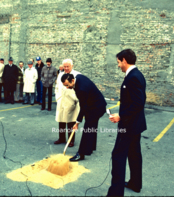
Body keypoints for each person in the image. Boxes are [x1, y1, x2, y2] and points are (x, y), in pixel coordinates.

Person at [107, 49, 147, 196]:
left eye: (118, 62)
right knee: (134, 154)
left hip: (129, 126)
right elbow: (140, 99)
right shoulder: (137, 75)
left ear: (124, 60)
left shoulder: (133, 77)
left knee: (118, 156)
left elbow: (138, 103)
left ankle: (115, 193)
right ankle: (135, 184)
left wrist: (121, 116)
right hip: (135, 125)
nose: (118, 65)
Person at [61, 73, 107, 161]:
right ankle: (90, 148)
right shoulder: (78, 76)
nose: (67, 87)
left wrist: (77, 122)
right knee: (92, 127)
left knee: (88, 129)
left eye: (67, 85)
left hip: (96, 107)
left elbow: (83, 107)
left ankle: (81, 154)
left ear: (73, 80)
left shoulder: (81, 89)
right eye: (65, 85)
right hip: (96, 104)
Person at [54, 59, 81, 147]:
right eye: (64, 66)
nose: (66, 68)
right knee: (61, 121)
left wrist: (76, 100)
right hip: (61, 100)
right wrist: (57, 98)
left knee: (71, 122)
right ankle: (61, 138)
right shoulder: (60, 75)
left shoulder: (77, 75)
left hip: (72, 101)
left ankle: (71, 140)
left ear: (72, 66)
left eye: (67, 66)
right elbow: (57, 87)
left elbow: (80, 89)